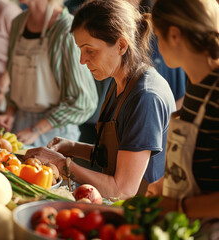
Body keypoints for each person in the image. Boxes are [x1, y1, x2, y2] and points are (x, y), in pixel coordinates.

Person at [24, 0, 176, 200]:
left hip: (142, 214)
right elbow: (118, 154)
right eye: (80, 49)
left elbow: (122, 189)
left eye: (90, 50)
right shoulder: (119, 82)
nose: (82, 60)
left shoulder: (146, 97)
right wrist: (72, 147)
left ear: (121, 45)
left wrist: (62, 163)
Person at [145, 0, 219, 237]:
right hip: (188, 226)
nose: (157, 46)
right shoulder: (195, 82)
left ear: (175, 35)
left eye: (158, 36)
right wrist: (166, 183)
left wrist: (179, 207)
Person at [0, 0, 98, 147]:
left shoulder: (67, 28)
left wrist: (36, 129)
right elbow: (16, 78)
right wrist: (9, 113)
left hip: (55, 134)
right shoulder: (18, 23)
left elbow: (83, 101)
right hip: (19, 126)